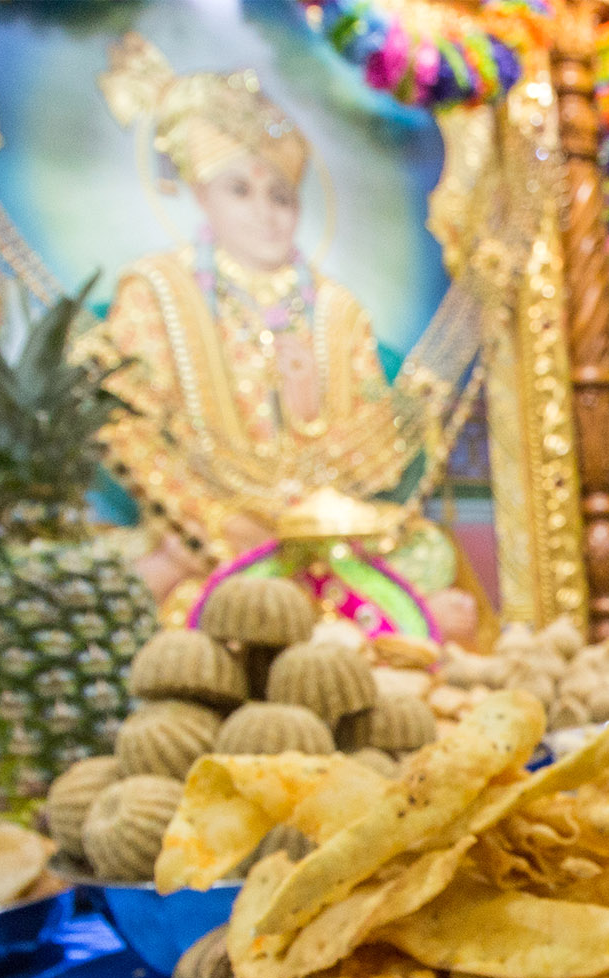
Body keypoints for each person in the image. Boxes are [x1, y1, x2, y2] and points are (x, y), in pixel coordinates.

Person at [90, 33, 488, 633]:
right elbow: (130, 433)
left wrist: (329, 488)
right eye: (240, 191)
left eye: (281, 195)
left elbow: (371, 440)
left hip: (332, 538)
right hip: (203, 537)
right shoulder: (155, 293)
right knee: (137, 572)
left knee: (429, 553)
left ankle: (329, 612)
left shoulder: (337, 310)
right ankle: (359, 620)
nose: (265, 213)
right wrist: (215, 523)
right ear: (200, 195)